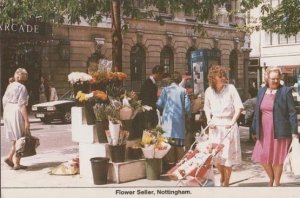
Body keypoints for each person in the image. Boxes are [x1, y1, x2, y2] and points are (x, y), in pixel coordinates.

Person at [251, 67, 299, 187]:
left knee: (277, 158)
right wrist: (254, 129)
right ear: (267, 78)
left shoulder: (285, 91)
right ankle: (271, 178)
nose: (275, 81)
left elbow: (292, 113)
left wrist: (294, 132)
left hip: (280, 130)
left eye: (278, 78)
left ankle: (276, 183)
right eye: (273, 78)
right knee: (262, 156)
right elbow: (257, 112)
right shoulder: (261, 91)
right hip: (264, 130)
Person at [203, 65, 244, 187]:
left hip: (228, 125)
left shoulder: (231, 88)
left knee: (227, 157)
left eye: (224, 76)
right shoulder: (208, 91)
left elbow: (239, 107)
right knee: (215, 156)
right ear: (213, 78)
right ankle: (222, 174)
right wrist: (208, 120)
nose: (223, 78)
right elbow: (206, 107)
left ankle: (226, 182)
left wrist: (233, 121)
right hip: (215, 127)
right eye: (220, 76)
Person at [156, 71, 191, 170]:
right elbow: (188, 108)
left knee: (167, 144)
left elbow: (159, 104)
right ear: (180, 80)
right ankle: (178, 165)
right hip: (179, 122)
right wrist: (187, 115)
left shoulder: (165, 90)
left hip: (166, 122)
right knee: (179, 146)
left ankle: (168, 165)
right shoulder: (183, 91)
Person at [2, 68, 30, 170]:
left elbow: (4, 100)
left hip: (8, 110)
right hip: (16, 111)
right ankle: (17, 163)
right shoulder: (22, 87)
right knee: (20, 138)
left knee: (15, 137)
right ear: (23, 77)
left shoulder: (10, 86)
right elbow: (22, 105)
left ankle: (9, 158)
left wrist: (6, 112)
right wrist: (27, 120)